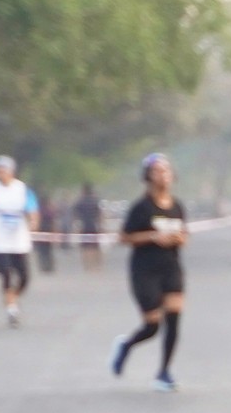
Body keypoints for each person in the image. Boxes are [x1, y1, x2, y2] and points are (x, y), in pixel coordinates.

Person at [111, 154, 190, 391]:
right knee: (152, 325)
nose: (163, 175)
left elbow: (184, 236)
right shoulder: (141, 207)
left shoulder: (177, 206)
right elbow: (124, 237)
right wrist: (153, 236)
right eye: (157, 171)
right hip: (145, 270)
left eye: (166, 170)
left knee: (174, 318)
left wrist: (179, 239)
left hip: (171, 267)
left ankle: (164, 373)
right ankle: (126, 345)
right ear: (148, 177)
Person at [0, 155, 38, 325]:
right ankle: (11, 308)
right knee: (5, 273)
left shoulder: (22, 189)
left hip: (18, 237)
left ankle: (12, 297)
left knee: (24, 277)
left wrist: (33, 222)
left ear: (11, 171)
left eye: (3, 170)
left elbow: (32, 210)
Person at [73, 184, 105, 271]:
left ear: (83, 191)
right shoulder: (95, 201)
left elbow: (75, 215)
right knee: (96, 247)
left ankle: (87, 266)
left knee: (85, 247)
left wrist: (76, 226)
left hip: (83, 226)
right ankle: (97, 265)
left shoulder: (79, 202)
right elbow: (100, 215)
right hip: (94, 226)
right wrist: (101, 226)